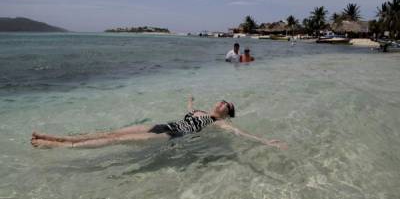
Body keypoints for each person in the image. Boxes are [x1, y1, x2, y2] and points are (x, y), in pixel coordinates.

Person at [31, 96, 287, 149]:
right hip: (159, 125)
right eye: (222, 101)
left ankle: (60, 146)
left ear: (226, 114)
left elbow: (240, 134)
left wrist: (266, 141)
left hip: (167, 136)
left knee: (114, 141)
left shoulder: (217, 123)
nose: (222, 104)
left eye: (226, 106)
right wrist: (189, 101)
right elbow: (188, 110)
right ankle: (58, 137)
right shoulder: (200, 111)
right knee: (110, 132)